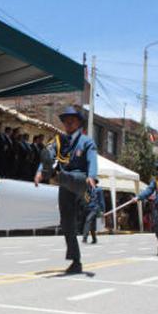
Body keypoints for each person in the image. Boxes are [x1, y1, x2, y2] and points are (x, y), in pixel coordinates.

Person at [35, 106, 97, 275]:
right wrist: (40, 171)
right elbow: (47, 155)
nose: (68, 123)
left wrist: (92, 176)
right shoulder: (59, 141)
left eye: (72, 120)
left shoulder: (86, 142)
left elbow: (92, 160)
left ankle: (54, 174)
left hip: (80, 180)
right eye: (65, 121)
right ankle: (76, 261)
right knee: (66, 223)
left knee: (66, 177)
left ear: (78, 123)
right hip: (64, 184)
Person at [82, 178, 105, 244]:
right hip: (89, 208)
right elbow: (86, 199)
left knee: (88, 220)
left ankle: (84, 238)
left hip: (96, 208)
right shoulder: (88, 190)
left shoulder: (99, 189)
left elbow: (101, 200)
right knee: (91, 224)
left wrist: (102, 210)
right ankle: (94, 239)